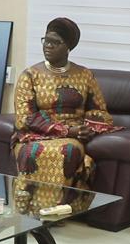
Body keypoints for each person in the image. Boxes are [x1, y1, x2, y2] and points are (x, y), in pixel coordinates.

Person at [12, 17, 120, 189]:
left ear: (69, 47)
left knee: (69, 151)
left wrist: (87, 129)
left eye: (55, 42)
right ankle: (31, 201)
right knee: (30, 152)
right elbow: (24, 119)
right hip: (36, 135)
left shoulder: (84, 75)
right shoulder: (30, 76)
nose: (48, 45)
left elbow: (99, 111)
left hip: (73, 137)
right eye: (46, 40)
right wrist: (66, 130)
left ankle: (62, 203)